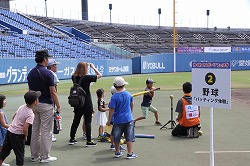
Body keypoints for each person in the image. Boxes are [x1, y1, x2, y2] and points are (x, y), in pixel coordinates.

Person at [27, 49, 61, 163]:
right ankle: (45, 156)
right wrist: (58, 105)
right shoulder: (48, 73)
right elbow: (53, 91)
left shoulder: (31, 72)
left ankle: (34, 155)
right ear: (45, 60)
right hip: (46, 104)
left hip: (34, 104)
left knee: (35, 130)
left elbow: (30, 90)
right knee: (46, 131)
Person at [0, 90, 40, 166]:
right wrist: (25, 136)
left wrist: (14, 125)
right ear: (35, 102)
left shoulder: (22, 106)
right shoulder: (31, 114)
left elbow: (14, 116)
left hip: (10, 131)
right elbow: (25, 128)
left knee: (5, 151)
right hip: (18, 135)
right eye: (37, 99)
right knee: (20, 155)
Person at [69, 62, 102, 147]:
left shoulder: (73, 77)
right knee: (88, 121)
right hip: (86, 101)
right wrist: (93, 67)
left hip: (77, 101)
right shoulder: (87, 77)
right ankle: (89, 140)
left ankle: (72, 138)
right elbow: (99, 75)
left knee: (76, 120)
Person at [107, 77, 137, 159]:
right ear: (123, 85)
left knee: (117, 137)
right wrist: (130, 113)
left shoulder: (114, 97)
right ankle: (130, 153)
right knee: (129, 137)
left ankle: (117, 152)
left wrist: (109, 120)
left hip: (118, 120)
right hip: (128, 119)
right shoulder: (128, 94)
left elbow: (111, 109)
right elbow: (132, 105)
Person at [109, 86, 126, 152]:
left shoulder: (113, 99)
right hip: (116, 119)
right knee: (116, 133)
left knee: (113, 133)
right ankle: (115, 145)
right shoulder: (115, 99)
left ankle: (113, 145)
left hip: (115, 119)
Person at [47, 59, 60, 142]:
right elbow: (53, 90)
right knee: (49, 118)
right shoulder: (51, 74)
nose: (57, 67)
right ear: (51, 66)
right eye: (55, 65)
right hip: (49, 99)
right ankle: (50, 135)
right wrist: (58, 104)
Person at [0, 95, 10, 166]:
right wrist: (12, 127)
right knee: (1, 148)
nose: (5, 102)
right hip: (1, 132)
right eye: (4, 100)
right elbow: (4, 124)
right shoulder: (1, 113)